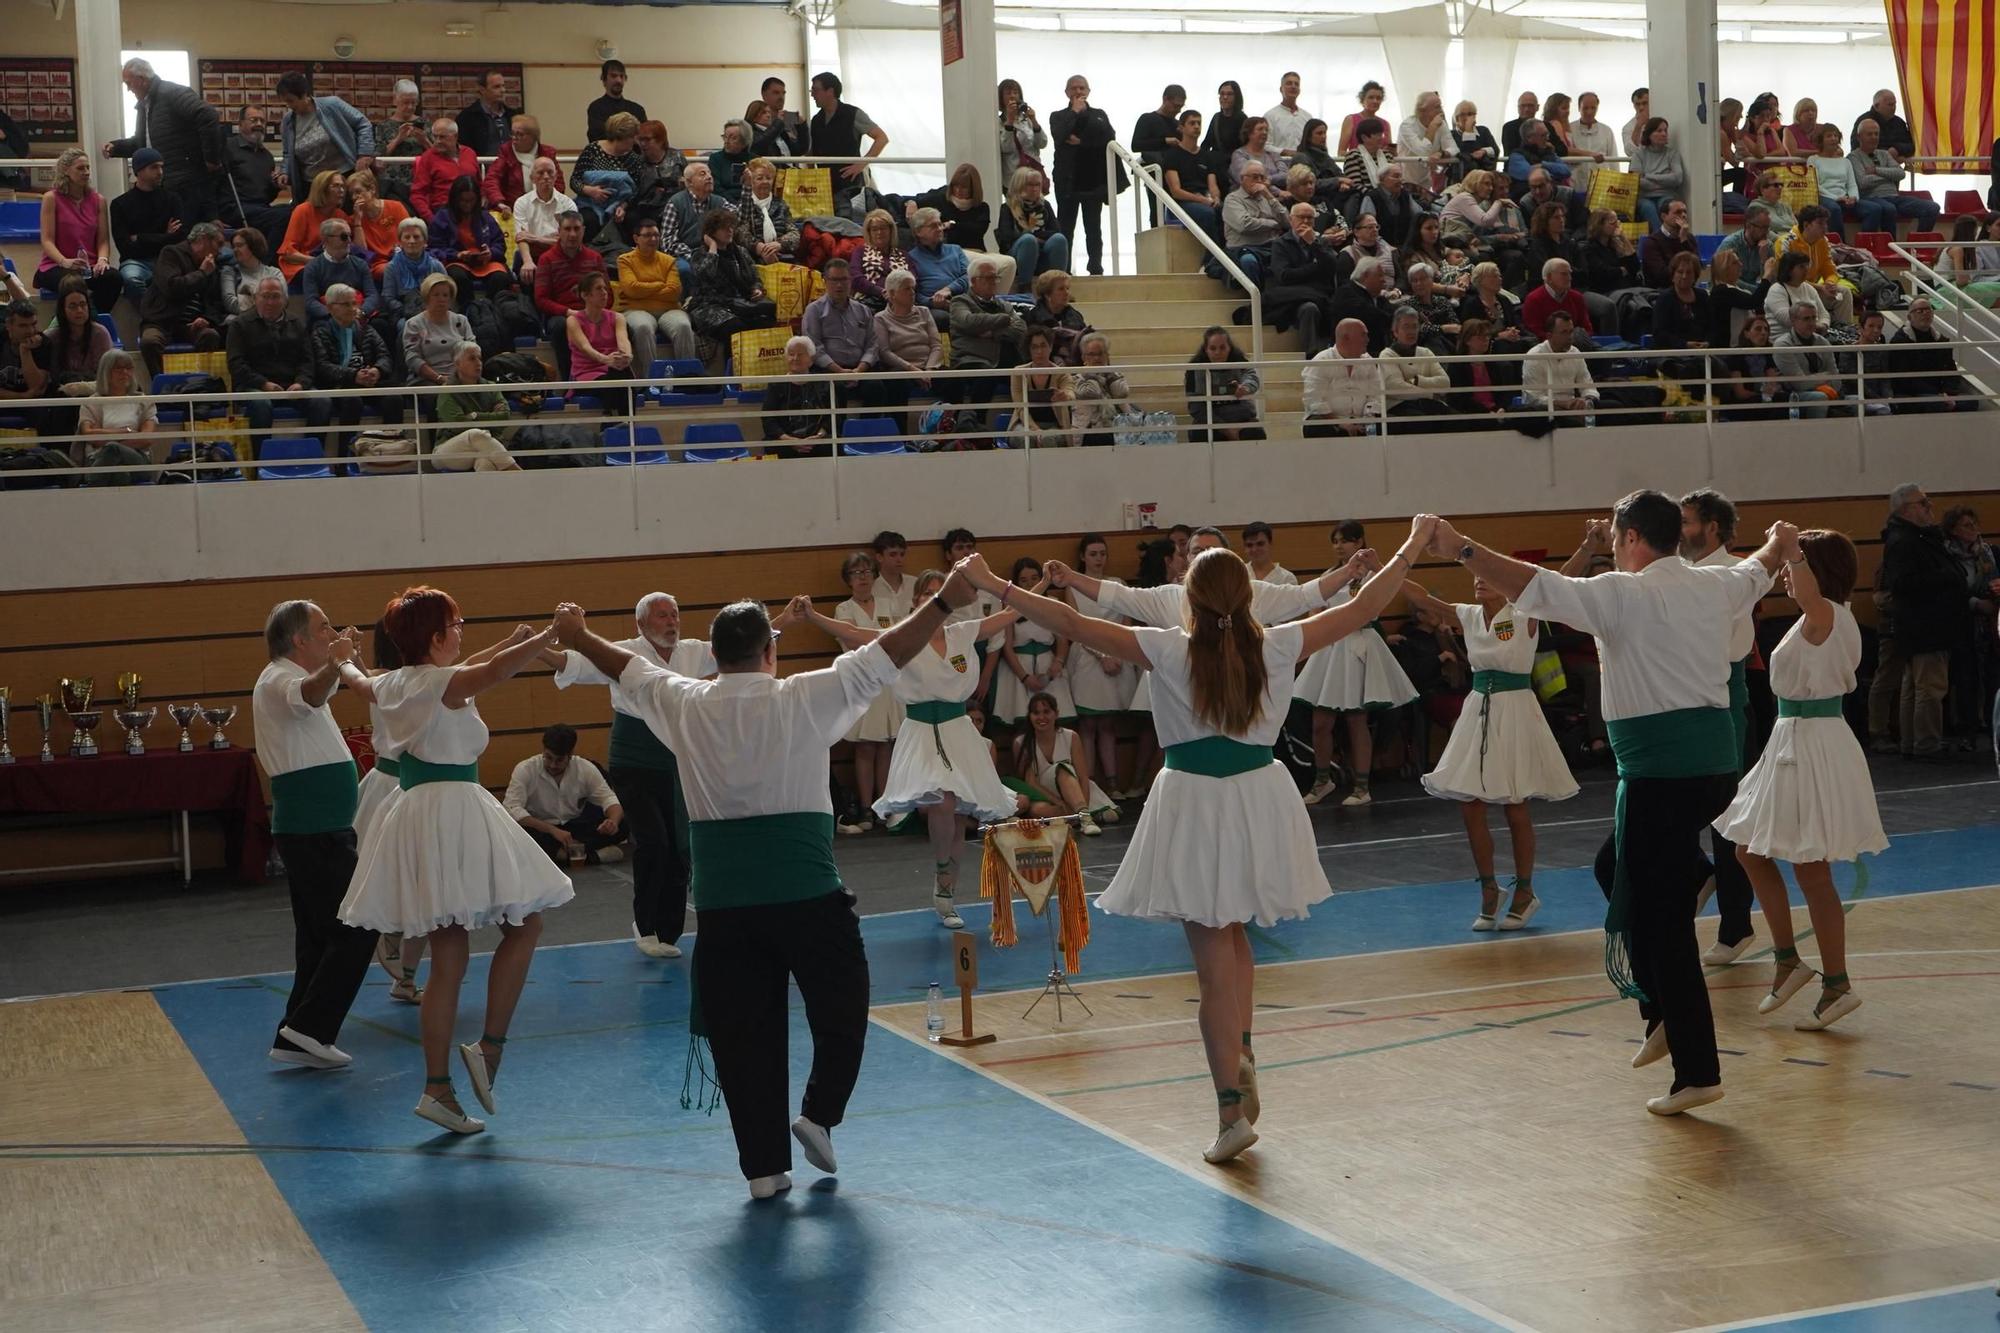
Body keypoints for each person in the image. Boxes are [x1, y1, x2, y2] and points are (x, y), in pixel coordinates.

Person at [960, 522, 1435, 1161]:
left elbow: (1070, 625)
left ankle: (1230, 1113)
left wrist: (993, 585)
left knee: (1211, 954)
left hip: (1194, 797)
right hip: (1260, 795)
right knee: (1234, 931)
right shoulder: (1275, 644)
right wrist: (1412, 545)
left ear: (1190, 596)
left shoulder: (1168, 649)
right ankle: (1241, 1048)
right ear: (1246, 598)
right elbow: (1367, 605)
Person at [551, 572, 977, 1198]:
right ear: (770, 654)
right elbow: (888, 653)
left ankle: (763, 1170)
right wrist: (943, 602)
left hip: (724, 908)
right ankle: (818, 1113)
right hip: (808, 898)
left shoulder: (683, 699)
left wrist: (578, 634)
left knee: (742, 1036)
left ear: (713, 657)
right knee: (843, 1010)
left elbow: (627, 670)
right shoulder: (804, 696)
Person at [1429, 497, 1793, 1115]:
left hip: (1660, 776)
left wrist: (1460, 546)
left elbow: (1534, 586)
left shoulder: (1620, 594)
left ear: (1628, 538)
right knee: (1613, 869)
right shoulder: (1714, 584)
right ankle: (1663, 1001)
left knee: (1664, 924)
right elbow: (1760, 565)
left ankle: (1696, 1069)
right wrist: (1781, 543)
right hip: (1714, 769)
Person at [339, 591, 571, 1135]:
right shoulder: (439, 685)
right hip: (453, 811)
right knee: (526, 923)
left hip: (418, 812)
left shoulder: (394, 681)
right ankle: (488, 1048)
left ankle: (438, 1087)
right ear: (437, 637)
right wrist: (547, 636)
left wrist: (342, 659)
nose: (461, 632)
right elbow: (483, 675)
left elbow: (373, 678)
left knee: (449, 957)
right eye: (456, 625)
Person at [1714, 529, 1886, 1030]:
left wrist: (1787, 545)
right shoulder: (1822, 618)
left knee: (1810, 869)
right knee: (1750, 849)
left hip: (1810, 742)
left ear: (1815, 568)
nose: (1786, 574)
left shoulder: (1826, 614)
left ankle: (1834, 983)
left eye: (1795, 566)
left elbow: (1808, 591)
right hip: (1794, 739)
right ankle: (1792, 961)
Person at [1402, 571, 1577, 928]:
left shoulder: (1524, 613)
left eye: (1488, 576)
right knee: (1471, 806)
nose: (1480, 581)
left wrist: (1589, 549)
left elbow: (1557, 580)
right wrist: (1382, 571)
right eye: (1476, 577)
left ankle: (1525, 890)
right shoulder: (1467, 615)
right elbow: (1422, 597)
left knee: (1515, 805)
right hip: (1479, 710)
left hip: (1514, 712)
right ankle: (1488, 888)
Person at [545, 594, 716, 957]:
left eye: (675, 614)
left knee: (680, 847)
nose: (672, 621)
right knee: (653, 841)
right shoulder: (621, 652)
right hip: (633, 760)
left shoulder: (693, 651)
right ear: (641, 624)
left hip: (676, 760)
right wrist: (537, 645)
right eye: (662, 616)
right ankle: (645, 924)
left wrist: (791, 620)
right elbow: (569, 661)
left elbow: (743, 645)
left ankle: (669, 930)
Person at [253, 602, 378, 1071]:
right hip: (314, 829)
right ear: (299, 640)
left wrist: (342, 660)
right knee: (357, 925)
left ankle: (296, 1032)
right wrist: (335, 662)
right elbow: (306, 694)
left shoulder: (294, 678)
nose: (331, 632)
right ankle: (310, 1029)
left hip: (320, 826)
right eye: (323, 628)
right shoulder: (278, 679)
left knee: (319, 936)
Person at [1676, 491, 1762, 965]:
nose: (1679, 530)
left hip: (1723, 698)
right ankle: (1699, 873)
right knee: (1680, 801)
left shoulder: (1732, 574)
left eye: (1686, 521)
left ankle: (1736, 926)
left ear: (1712, 527)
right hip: (1690, 696)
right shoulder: (1683, 572)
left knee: (1728, 816)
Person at [1293, 521, 1419, 804]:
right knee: (1320, 721)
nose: (1339, 546)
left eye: (1345, 540)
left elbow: (1393, 586)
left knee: (1356, 718)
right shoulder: (1331, 575)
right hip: (1330, 647)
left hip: (1359, 646)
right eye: (1335, 541)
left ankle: (1362, 787)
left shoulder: (1376, 574)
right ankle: (1322, 781)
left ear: (1359, 541)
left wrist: (1377, 566)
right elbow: (1316, 609)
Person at [808, 552, 905, 824]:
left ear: (875, 575)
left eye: (866, 572)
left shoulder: (890, 604)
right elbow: (852, 643)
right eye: (856, 573)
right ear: (848, 580)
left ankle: (882, 805)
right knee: (865, 747)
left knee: (886, 745)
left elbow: (898, 640)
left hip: (888, 681)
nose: (862, 578)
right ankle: (865, 807)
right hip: (861, 682)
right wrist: (880, 645)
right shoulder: (844, 610)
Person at [1879, 484, 1964, 761]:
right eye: (1924, 503)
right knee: (1929, 686)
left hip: (1919, 623)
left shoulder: (1909, 537)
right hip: (1927, 623)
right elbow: (1903, 583)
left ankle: (1912, 741)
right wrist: (1946, 576)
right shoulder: (1906, 540)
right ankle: (1926, 743)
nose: (1930, 508)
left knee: (1914, 686)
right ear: (1907, 509)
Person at [104, 57, 224, 223]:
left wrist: (211, 159)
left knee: (186, 236)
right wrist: (116, 147)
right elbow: (143, 143)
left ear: (142, 80)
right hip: (167, 183)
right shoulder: (144, 106)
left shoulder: (172, 93)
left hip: (187, 183)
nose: (128, 89)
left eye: (129, 83)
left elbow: (207, 115)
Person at [1065, 534, 1140, 786]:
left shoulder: (1116, 584)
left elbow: (1127, 623)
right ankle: (1090, 786)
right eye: (1093, 554)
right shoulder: (1073, 587)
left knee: (1108, 725)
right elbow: (1074, 627)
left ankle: (1113, 783)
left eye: (1103, 554)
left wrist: (1117, 654)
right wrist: (1102, 656)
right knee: (1087, 725)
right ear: (1083, 557)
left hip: (1117, 656)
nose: (1099, 559)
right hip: (1087, 659)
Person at [229, 274, 330, 453]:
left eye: (275, 296)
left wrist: (301, 383)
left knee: (322, 401)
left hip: (292, 387)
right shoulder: (239, 325)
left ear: (284, 299)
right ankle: (262, 461)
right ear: (255, 298)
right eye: (265, 296)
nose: (270, 301)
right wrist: (263, 384)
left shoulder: (297, 323)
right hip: (255, 387)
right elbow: (236, 364)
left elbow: (307, 361)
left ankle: (313, 456)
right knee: (261, 405)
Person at [503, 724, 626, 865]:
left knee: (623, 824)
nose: (553, 765)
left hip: (575, 829)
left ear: (570, 755)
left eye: (559, 760)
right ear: (543, 750)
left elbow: (609, 799)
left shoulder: (585, 768)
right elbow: (511, 809)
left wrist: (613, 822)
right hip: (541, 828)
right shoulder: (525, 769)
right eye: (548, 758)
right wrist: (552, 830)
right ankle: (592, 856)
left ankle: (562, 855)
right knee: (518, 835)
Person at [136, 221, 227, 379]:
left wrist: (206, 318)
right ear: (204, 239)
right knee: (149, 342)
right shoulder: (171, 253)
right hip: (161, 321)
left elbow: (215, 302)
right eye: (218, 244)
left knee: (211, 335)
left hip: (192, 325)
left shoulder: (212, 266)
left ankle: (199, 383)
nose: (220, 251)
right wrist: (202, 273)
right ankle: (162, 386)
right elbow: (172, 287)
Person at [35, 148, 120, 312]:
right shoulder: (51, 198)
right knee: (72, 283)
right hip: (56, 265)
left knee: (114, 278)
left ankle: (96, 318)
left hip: (89, 266)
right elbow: (47, 240)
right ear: (66, 171)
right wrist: (64, 261)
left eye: (88, 168)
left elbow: (102, 240)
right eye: (80, 168)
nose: (86, 172)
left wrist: (103, 259)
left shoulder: (98, 200)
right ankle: (67, 324)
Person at [1049, 74, 1115, 277]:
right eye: (1074, 88)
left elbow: (1109, 139)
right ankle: (1063, 269)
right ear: (1067, 92)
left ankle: (1095, 267)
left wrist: (1082, 142)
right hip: (1068, 181)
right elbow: (1059, 136)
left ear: (1088, 91)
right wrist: (1075, 113)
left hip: (1092, 181)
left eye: (1082, 88)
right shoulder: (1058, 115)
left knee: (1093, 228)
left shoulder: (1099, 114)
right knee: (1065, 227)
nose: (1078, 92)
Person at [275, 72, 375, 201]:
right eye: (285, 101)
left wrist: (364, 154)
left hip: (344, 176)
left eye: (291, 100)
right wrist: (284, 171)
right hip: (311, 183)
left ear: (304, 94)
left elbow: (363, 123)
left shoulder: (332, 105)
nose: (288, 105)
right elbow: (288, 153)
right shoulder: (288, 121)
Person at [615, 217, 697, 368]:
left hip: (669, 309)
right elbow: (631, 288)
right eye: (647, 235)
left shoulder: (669, 260)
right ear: (636, 238)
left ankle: (687, 376)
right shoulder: (624, 260)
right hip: (635, 309)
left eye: (656, 235)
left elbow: (674, 291)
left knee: (683, 326)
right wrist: (659, 285)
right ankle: (651, 381)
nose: (653, 239)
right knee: (643, 327)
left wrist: (644, 288)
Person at [532, 214, 604, 381]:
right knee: (560, 327)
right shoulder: (546, 259)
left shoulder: (595, 258)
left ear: (583, 231)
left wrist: (591, 310)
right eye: (567, 229)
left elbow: (608, 294)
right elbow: (541, 299)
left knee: (624, 326)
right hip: (562, 315)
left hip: (592, 312)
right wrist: (568, 312)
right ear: (559, 231)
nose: (572, 234)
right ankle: (570, 381)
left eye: (577, 229)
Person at [108, 147, 183, 306]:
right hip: (135, 262)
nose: (160, 172)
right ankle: (150, 317)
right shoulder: (120, 204)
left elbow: (178, 238)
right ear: (139, 171)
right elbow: (125, 247)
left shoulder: (172, 199)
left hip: (167, 259)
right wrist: (165, 235)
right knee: (131, 279)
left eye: (161, 166)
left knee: (184, 278)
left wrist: (140, 238)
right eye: (154, 167)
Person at [686, 211, 774, 343]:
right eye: (724, 228)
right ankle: (735, 363)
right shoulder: (699, 255)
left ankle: (760, 362)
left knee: (766, 320)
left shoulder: (741, 252)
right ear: (712, 232)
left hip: (741, 303)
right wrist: (713, 249)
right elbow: (705, 274)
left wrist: (757, 289)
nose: (730, 230)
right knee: (735, 327)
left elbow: (755, 278)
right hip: (711, 306)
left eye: (731, 227)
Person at [807, 70, 890, 209]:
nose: (812, 94)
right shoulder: (816, 120)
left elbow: (881, 138)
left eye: (815, 90)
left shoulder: (853, 114)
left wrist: (861, 164)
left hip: (851, 185)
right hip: (825, 185)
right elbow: (812, 152)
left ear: (830, 91)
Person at [1887, 297, 1978, 412]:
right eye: (1920, 311)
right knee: (1932, 404)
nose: (1925, 313)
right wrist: (1936, 394)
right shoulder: (1899, 342)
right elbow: (1903, 379)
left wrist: (1948, 393)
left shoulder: (1941, 341)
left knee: (1972, 401)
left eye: (1928, 310)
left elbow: (1951, 372)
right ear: (1909, 317)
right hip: (1912, 392)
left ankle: (1949, 404)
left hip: (1940, 393)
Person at [76, 348, 160, 470]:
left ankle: (91, 482)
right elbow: (89, 435)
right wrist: (125, 432)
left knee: (112, 450)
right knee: (119, 474)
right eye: (118, 369)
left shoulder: (143, 401)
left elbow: (146, 438)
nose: (125, 372)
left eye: (129, 368)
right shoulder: (91, 402)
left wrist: (114, 446)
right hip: (99, 458)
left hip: (136, 458)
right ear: (105, 372)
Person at [1850, 119, 1941, 232]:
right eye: (1869, 134)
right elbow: (1863, 182)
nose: (1874, 137)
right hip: (1872, 198)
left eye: (1876, 134)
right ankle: (1890, 246)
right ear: (1859, 137)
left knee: (1932, 207)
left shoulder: (1885, 154)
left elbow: (1900, 173)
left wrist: (1876, 170)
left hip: (1895, 197)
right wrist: (1889, 175)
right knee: (1889, 209)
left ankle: (1918, 245)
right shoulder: (1854, 157)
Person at [1301, 317, 1383, 436]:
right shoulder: (1321, 361)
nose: (1368, 340)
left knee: (1390, 423)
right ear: (1346, 338)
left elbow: (1376, 395)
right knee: (1317, 427)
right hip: (1330, 420)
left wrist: (1367, 419)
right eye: (1363, 335)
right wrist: (1340, 423)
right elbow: (1314, 401)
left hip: (1362, 419)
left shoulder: (1368, 361)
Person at [566, 271, 634, 413]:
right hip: (587, 374)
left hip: (613, 370)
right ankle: (625, 423)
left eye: (605, 288)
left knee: (621, 372)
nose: (605, 292)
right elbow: (585, 347)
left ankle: (614, 420)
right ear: (585, 295)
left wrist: (627, 356)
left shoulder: (618, 317)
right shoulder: (573, 321)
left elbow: (623, 340)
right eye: (599, 289)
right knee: (620, 380)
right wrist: (606, 360)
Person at [221, 105, 290, 239]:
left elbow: (267, 197)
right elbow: (212, 182)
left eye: (262, 121)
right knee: (282, 217)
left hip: (260, 208)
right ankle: (269, 259)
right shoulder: (227, 147)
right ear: (240, 124)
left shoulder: (267, 156)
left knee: (297, 211)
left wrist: (275, 186)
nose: (259, 124)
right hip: (234, 208)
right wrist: (212, 216)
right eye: (253, 120)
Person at [997, 168, 1071, 293]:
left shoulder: (1044, 205)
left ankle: (1059, 286)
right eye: (1030, 185)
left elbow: (1056, 231)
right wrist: (1031, 236)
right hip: (1018, 255)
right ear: (1019, 185)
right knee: (1028, 240)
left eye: (1037, 185)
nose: (1035, 189)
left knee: (1059, 239)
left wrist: (1034, 235)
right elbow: (1006, 237)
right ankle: (1024, 287)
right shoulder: (1008, 207)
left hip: (1042, 254)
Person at [1379, 305, 1452, 430]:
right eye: (1406, 327)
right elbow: (1396, 388)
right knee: (1424, 423)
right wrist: (1429, 393)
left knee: (1459, 420)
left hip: (1429, 404)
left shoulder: (1426, 352)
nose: (1411, 332)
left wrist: (1417, 380)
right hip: (1400, 405)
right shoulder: (1387, 354)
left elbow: (1445, 383)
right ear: (1395, 331)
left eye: (1415, 327)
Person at [1185, 326, 1263, 442]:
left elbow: (1251, 376)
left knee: (1256, 433)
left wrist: (1246, 388)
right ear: (1206, 349)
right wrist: (1225, 429)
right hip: (1211, 421)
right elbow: (1196, 408)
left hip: (1242, 420)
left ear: (1229, 348)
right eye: (1213, 348)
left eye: (1222, 348)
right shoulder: (1193, 370)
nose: (1218, 352)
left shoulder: (1239, 361)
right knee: (1198, 434)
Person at [760, 336, 832, 458]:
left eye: (800, 354)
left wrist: (819, 436)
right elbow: (768, 420)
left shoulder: (824, 382)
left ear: (811, 359)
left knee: (830, 445)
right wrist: (790, 440)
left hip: (817, 439)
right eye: (791, 354)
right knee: (777, 447)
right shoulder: (776, 385)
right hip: (785, 441)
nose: (795, 358)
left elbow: (833, 417)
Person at [1520, 312, 1597, 426]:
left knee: (1614, 407)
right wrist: (1562, 403)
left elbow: (1587, 385)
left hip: (1573, 407)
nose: (1570, 337)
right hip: (1545, 410)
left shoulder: (1575, 352)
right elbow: (1534, 398)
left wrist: (1586, 400)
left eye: (1571, 331)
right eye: (1564, 333)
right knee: (1571, 421)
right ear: (1549, 336)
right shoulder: (1535, 356)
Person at [402, 272, 475, 391]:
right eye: (436, 295)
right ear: (426, 297)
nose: (441, 299)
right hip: (426, 381)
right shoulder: (414, 324)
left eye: (445, 295)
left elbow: (472, 351)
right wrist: (440, 378)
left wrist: (459, 378)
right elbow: (413, 358)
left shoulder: (461, 321)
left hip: (461, 378)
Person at [300, 218, 379, 328]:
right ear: (326, 239)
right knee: (322, 326)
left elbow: (372, 295)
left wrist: (361, 312)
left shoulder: (360, 264)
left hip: (357, 314)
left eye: (349, 236)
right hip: (328, 317)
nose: (349, 241)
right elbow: (311, 301)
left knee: (380, 324)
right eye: (343, 237)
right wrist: (335, 315)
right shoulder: (313, 267)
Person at [1772, 300, 1844, 415]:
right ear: (1793, 321)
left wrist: (1816, 381)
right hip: (1793, 395)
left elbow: (1837, 381)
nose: (1811, 323)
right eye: (1806, 319)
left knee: (1857, 400)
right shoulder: (1783, 344)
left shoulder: (1823, 342)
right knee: (1819, 398)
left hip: (1827, 391)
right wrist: (1826, 376)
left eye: (1814, 318)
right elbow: (1799, 384)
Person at [512, 158, 578, 284]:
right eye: (540, 173)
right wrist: (528, 262)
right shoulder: (522, 203)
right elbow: (522, 238)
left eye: (550, 172)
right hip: (532, 254)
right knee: (524, 265)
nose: (546, 176)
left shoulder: (568, 204)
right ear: (532, 178)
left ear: (556, 176)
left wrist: (536, 239)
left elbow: (569, 241)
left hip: (559, 255)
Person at [277, 170, 350, 283]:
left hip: (329, 263)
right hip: (302, 264)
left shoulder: (341, 215)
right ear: (322, 189)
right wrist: (319, 262)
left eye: (342, 187)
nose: (341, 190)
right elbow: (288, 253)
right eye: (335, 186)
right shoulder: (303, 210)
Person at [1132, 85, 1188, 227]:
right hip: (1156, 171)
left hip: (1175, 172)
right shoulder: (1148, 119)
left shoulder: (1177, 124)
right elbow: (1136, 144)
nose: (1178, 110)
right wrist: (1164, 141)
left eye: (1181, 107)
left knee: (1177, 209)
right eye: (1176, 106)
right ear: (1165, 99)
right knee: (1157, 210)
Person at [1445, 319, 1517, 427]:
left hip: (1497, 411)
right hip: (1472, 413)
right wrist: (1486, 413)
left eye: (1487, 336)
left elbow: (1505, 392)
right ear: (1467, 340)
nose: (1486, 340)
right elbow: (1460, 399)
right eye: (1480, 337)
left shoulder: (1494, 363)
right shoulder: (1457, 365)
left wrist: (1502, 409)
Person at [370, 79, 431, 207]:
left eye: (413, 103)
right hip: (392, 183)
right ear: (395, 100)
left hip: (420, 180)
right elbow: (378, 155)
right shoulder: (383, 126)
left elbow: (437, 152)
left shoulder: (425, 124)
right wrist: (398, 138)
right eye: (405, 102)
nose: (409, 107)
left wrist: (424, 141)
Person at [345, 170, 410, 283]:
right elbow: (361, 253)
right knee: (391, 270)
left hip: (402, 256)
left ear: (372, 190)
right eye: (351, 194)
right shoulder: (353, 220)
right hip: (378, 264)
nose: (354, 197)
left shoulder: (395, 207)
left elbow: (410, 234)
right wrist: (358, 222)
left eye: (358, 192)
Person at [484, 115, 552, 217]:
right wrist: (499, 202)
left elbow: (558, 182)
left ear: (533, 137)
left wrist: (549, 201)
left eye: (519, 134)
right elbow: (492, 179)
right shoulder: (506, 151)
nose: (514, 138)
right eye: (512, 133)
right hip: (512, 208)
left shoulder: (547, 153)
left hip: (544, 207)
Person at [382, 220, 446, 324]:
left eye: (416, 237)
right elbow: (388, 298)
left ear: (425, 241)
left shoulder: (436, 266)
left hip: (434, 310)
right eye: (407, 237)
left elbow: (447, 295)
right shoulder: (391, 268)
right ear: (400, 242)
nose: (411, 241)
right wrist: (410, 311)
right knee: (405, 326)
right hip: (404, 314)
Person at [737, 158, 798, 264]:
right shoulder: (744, 204)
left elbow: (794, 233)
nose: (765, 181)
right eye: (759, 178)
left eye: (769, 178)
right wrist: (760, 248)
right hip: (752, 258)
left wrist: (779, 244)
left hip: (782, 256)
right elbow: (740, 233)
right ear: (751, 181)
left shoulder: (781, 204)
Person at [1631, 118, 1688, 231]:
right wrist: (1665, 181)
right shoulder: (1639, 154)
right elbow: (1636, 180)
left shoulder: (1672, 153)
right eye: (1659, 131)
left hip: (1667, 195)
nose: (1663, 134)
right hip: (1645, 196)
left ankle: (1664, 239)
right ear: (1649, 134)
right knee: (1648, 208)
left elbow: (1677, 178)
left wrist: (1650, 176)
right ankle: (1660, 239)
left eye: (1665, 131)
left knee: (1667, 207)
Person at [997, 79, 1048, 193]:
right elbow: (1006, 148)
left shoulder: (1026, 119)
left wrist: (1034, 121)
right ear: (1001, 98)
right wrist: (1009, 120)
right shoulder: (999, 122)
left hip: (1033, 174)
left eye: (1015, 92)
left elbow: (1042, 143)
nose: (1012, 96)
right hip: (1013, 178)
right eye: (1008, 93)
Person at [455, 69, 517, 158]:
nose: (503, 90)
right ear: (482, 90)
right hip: (482, 169)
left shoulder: (513, 115)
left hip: (510, 169)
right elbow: (463, 150)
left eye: (503, 86)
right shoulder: (467, 118)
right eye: (497, 87)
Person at [1640, 198, 1699, 288]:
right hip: (1660, 291)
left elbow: (1696, 269)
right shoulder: (1652, 242)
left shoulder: (1688, 238)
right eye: (1678, 212)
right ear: (1664, 216)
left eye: (1685, 212)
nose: (1683, 215)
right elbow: (1662, 276)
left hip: (1687, 288)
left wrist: (1683, 240)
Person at [587, 59, 646, 143]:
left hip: (633, 155)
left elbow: (643, 137)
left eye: (622, 76)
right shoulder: (596, 108)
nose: (618, 80)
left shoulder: (637, 109)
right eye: (613, 76)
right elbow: (596, 139)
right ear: (604, 80)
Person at [1852, 88, 1914, 160]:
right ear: (1876, 106)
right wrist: (1887, 155)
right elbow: (1856, 147)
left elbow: (1911, 145)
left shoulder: (1899, 123)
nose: (1894, 108)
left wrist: (1897, 149)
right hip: (1867, 167)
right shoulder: (1863, 121)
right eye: (1890, 105)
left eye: (1895, 104)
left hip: (1892, 168)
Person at [1230, 117, 1285, 190]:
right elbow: (1247, 181)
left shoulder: (1273, 155)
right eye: (1260, 129)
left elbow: (1286, 175)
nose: (1264, 132)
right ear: (1249, 133)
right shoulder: (1239, 154)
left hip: (1278, 197)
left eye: (1266, 130)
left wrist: (1270, 179)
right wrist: (1278, 191)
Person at [1339, 81, 1389, 154]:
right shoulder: (1351, 120)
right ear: (1362, 99)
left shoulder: (1385, 124)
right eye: (1371, 97)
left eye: (1378, 98)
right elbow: (1341, 152)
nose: (1375, 101)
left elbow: (1388, 150)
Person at [1500, 91, 1541, 158]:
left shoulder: (1547, 126)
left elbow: (1560, 150)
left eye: (1530, 106)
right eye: (1523, 106)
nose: (1526, 109)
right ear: (1518, 108)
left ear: (1537, 107)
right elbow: (1511, 152)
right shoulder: (1509, 127)